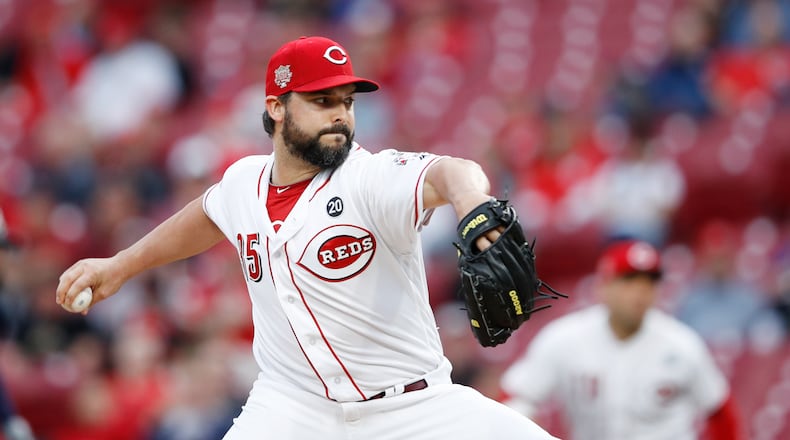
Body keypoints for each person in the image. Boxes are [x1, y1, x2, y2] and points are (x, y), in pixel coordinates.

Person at [55, 36, 557, 440]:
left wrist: (474, 207)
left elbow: (453, 171)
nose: (341, 114)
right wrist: (119, 265)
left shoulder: (369, 178)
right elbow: (207, 215)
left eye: (346, 102)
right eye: (322, 101)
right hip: (293, 408)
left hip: (412, 406)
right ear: (276, 107)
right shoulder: (244, 183)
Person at [500, 239, 743, 440]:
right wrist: (523, 421)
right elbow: (515, 396)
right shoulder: (564, 339)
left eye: (649, 283)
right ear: (603, 286)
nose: (639, 292)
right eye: (629, 281)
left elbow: (720, 411)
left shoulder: (681, 344)